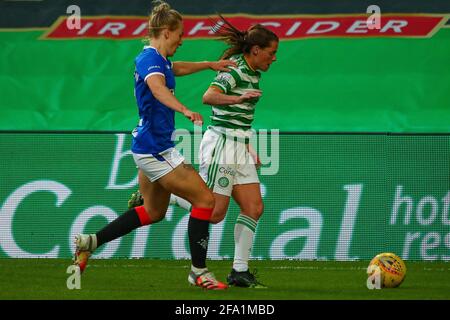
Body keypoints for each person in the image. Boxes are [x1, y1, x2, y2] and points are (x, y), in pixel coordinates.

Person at [73, 0, 238, 290]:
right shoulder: (149, 60)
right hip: (155, 150)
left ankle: (91, 242)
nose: (182, 39)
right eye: (179, 34)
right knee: (206, 201)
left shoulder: (159, 60)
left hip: (149, 147)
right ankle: (199, 272)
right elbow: (159, 88)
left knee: (153, 212)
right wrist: (185, 109)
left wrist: (209, 65)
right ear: (165, 31)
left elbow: (177, 69)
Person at [129, 15, 279, 288]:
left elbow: (236, 117)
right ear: (255, 50)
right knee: (214, 212)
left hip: (238, 144)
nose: (274, 58)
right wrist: (237, 97)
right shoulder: (234, 71)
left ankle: (239, 272)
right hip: (221, 145)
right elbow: (208, 97)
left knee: (254, 207)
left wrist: (248, 147)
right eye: (272, 53)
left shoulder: (254, 73)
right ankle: (169, 196)